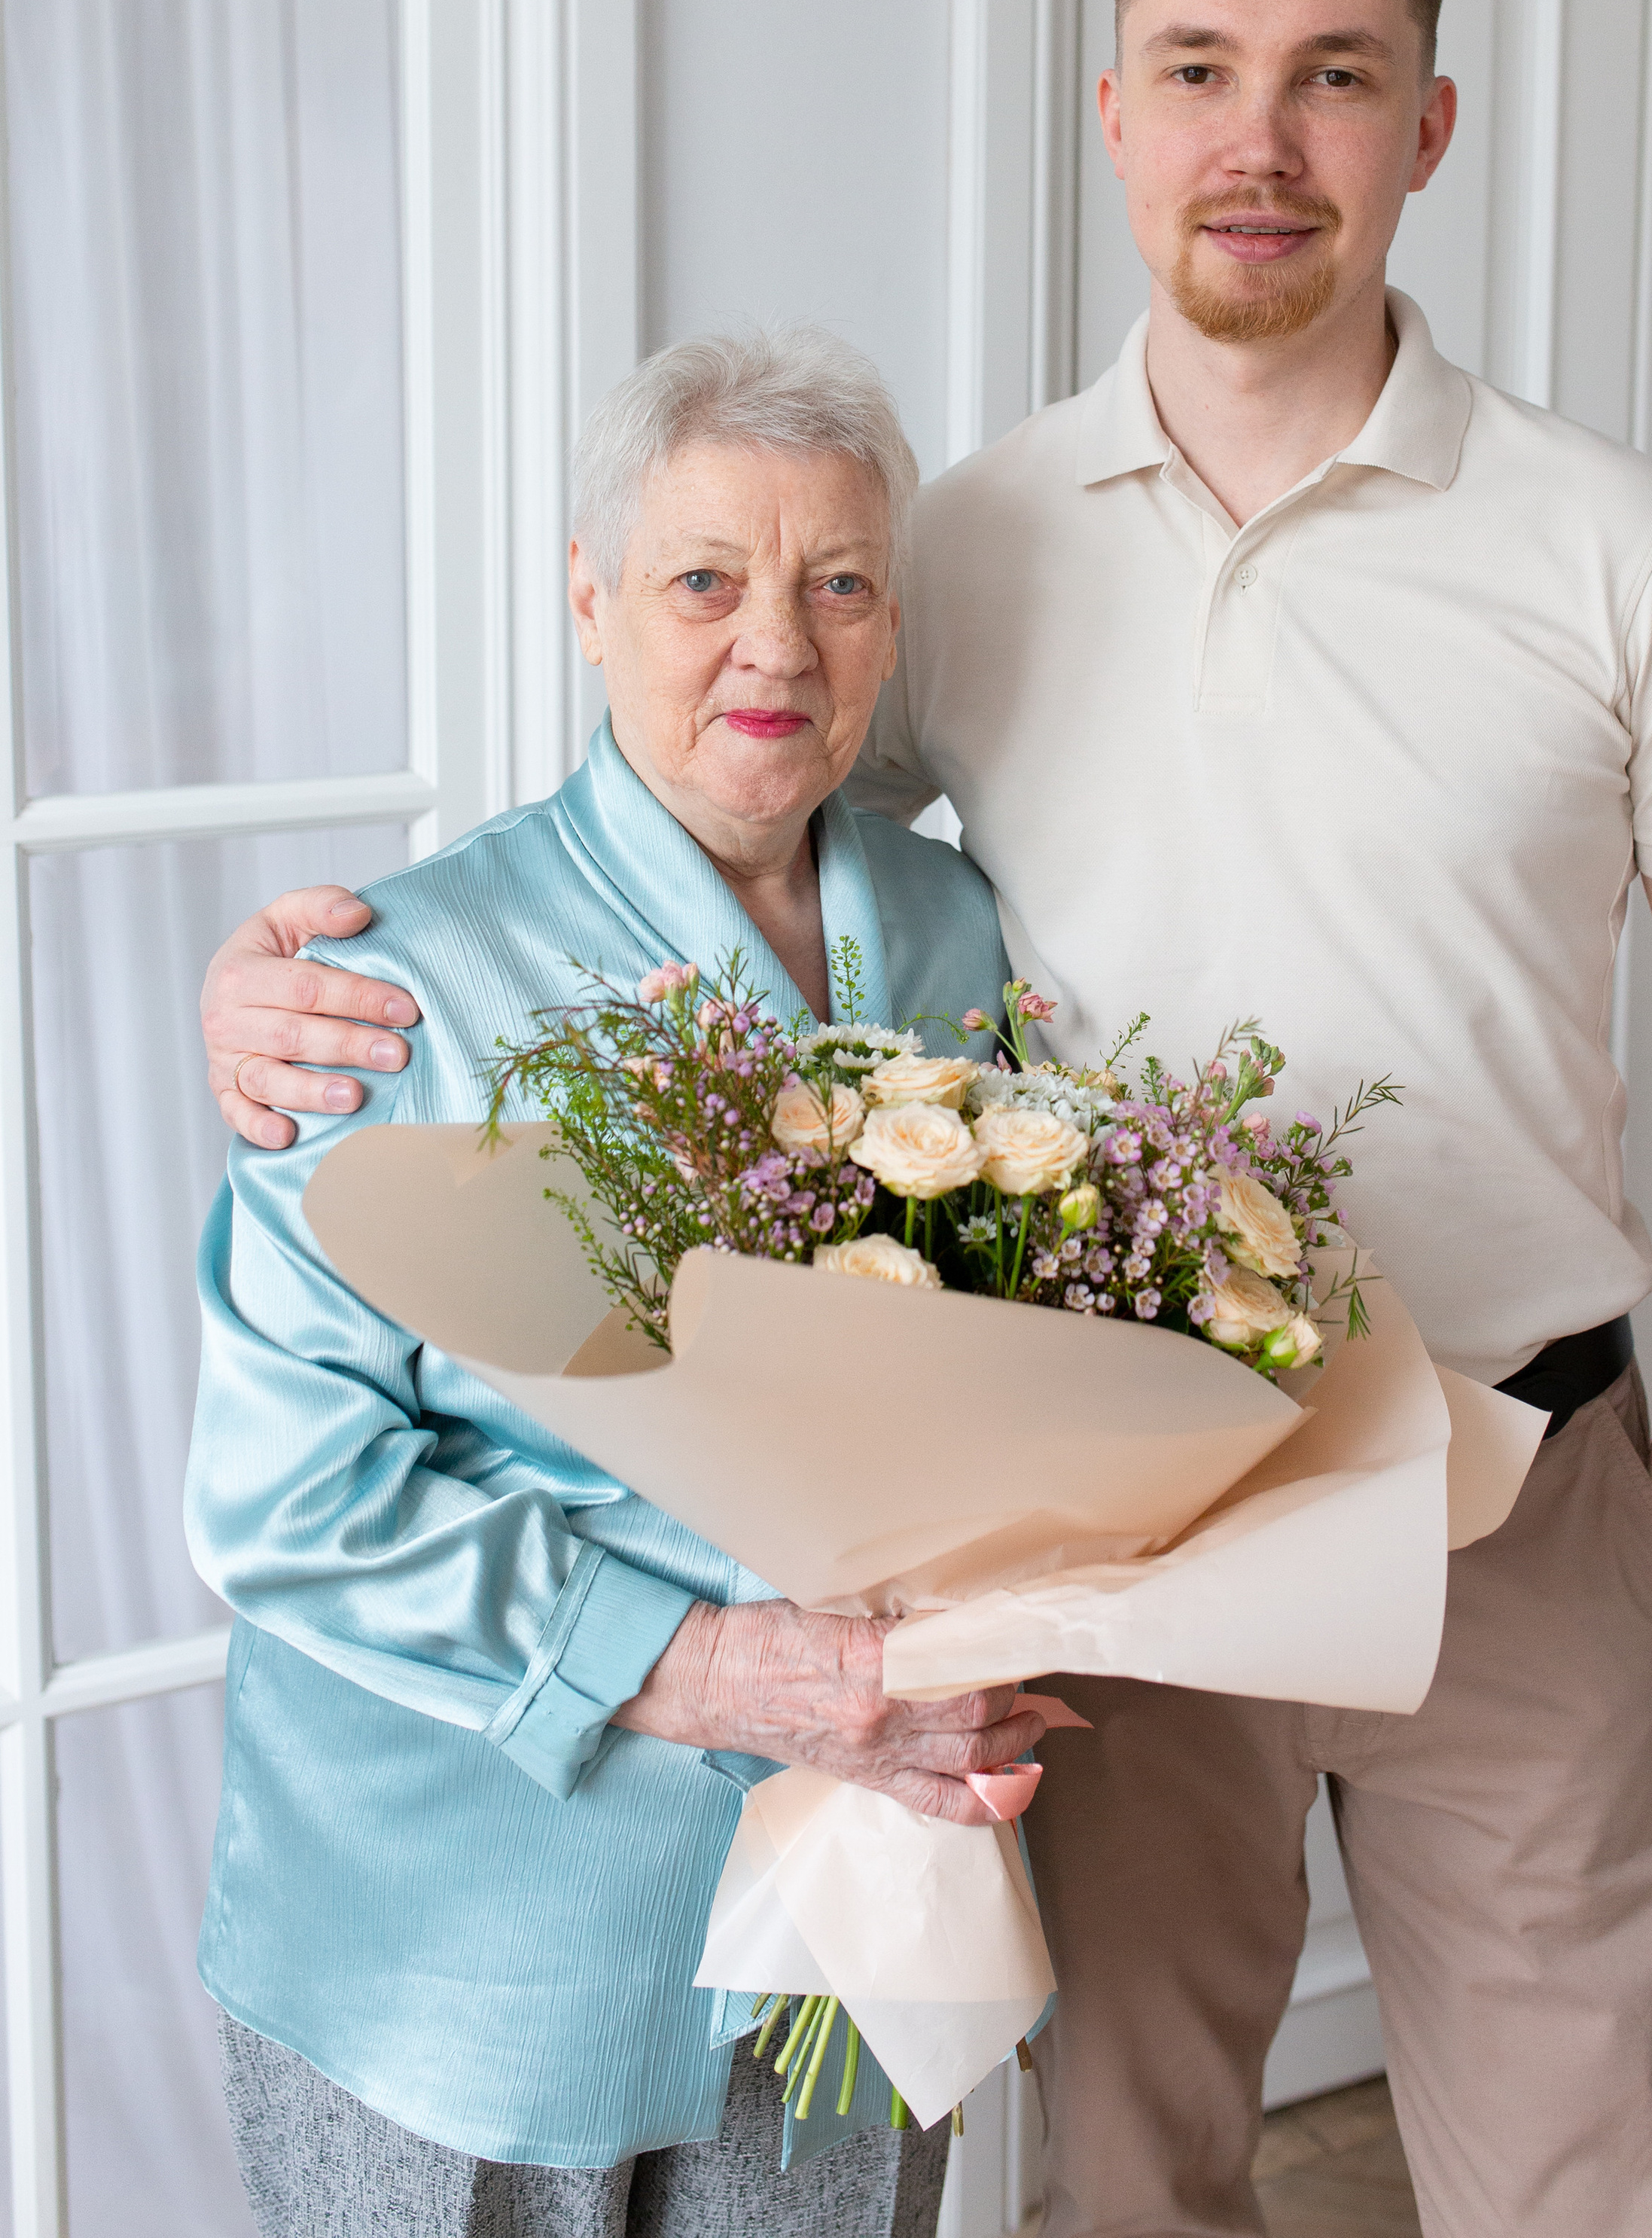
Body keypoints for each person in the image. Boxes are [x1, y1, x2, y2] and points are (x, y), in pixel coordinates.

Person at [202, 0, 1652, 2238]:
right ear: (1115, 113)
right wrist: (293, 983)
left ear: (1428, 125)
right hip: (1120, 1536)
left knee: (1599, 2190)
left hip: (1519, 1506)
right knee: (1118, 2189)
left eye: (1333, 75)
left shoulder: (1628, 545)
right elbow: (724, 831)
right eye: (1198, 66)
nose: (1258, 138)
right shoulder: (962, 541)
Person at [187, 330, 1041, 2238]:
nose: (777, 646)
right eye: (703, 581)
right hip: (462, 1961)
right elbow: (284, 1501)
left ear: (892, 623)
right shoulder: (385, 987)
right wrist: (726, 1672)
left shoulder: (954, 932)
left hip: (842, 1916)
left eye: (839, 585)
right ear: (588, 598)